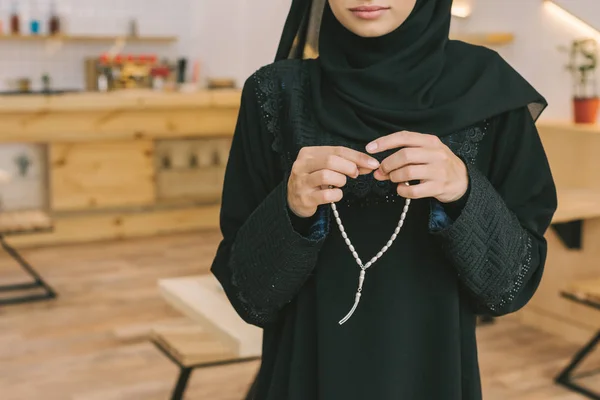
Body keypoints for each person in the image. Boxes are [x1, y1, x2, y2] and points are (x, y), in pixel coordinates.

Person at [210, 0, 557, 399]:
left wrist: (463, 190)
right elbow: (248, 294)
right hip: (303, 376)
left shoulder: (488, 90)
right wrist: (290, 209)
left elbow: (512, 285)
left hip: (433, 376)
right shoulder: (275, 94)